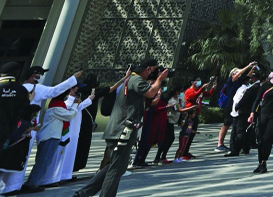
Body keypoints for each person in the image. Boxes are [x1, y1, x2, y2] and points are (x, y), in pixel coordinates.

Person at [73, 57, 169, 197]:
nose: (155, 74)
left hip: (123, 130)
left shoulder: (132, 80)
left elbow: (148, 101)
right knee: (116, 168)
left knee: (116, 166)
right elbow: (150, 93)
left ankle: (83, 193)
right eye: (155, 70)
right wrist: (160, 80)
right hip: (122, 130)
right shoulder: (136, 80)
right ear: (148, 69)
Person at [26, 87, 79, 189]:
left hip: (51, 136)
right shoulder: (57, 107)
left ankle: (33, 182)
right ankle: (32, 184)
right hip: (50, 137)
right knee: (43, 162)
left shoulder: (56, 105)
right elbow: (69, 115)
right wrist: (75, 105)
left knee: (44, 161)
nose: (67, 97)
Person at [215, 62, 257, 152]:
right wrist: (248, 66)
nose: (239, 74)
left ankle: (236, 144)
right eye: (238, 72)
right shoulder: (230, 81)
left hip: (237, 104)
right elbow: (238, 74)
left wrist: (252, 69)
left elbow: (247, 76)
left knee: (236, 125)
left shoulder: (240, 81)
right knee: (226, 124)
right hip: (230, 104)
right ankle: (220, 144)